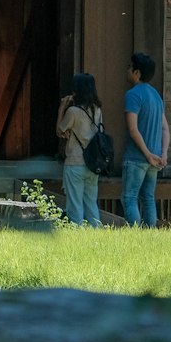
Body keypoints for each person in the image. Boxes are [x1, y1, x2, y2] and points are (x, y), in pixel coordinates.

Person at [122, 51, 169, 227]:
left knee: (129, 197)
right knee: (148, 197)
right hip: (155, 158)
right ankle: (150, 236)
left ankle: (134, 238)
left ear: (137, 73)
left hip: (137, 157)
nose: (127, 70)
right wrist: (162, 153)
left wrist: (147, 154)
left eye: (129, 67)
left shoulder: (133, 95)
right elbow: (165, 128)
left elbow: (133, 129)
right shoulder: (156, 96)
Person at [56, 71, 104, 226]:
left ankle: (76, 235)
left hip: (75, 163)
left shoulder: (73, 112)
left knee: (75, 204)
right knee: (91, 203)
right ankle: (95, 233)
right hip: (92, 164)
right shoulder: (97, 110)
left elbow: (59, 130)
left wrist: (62, 107)